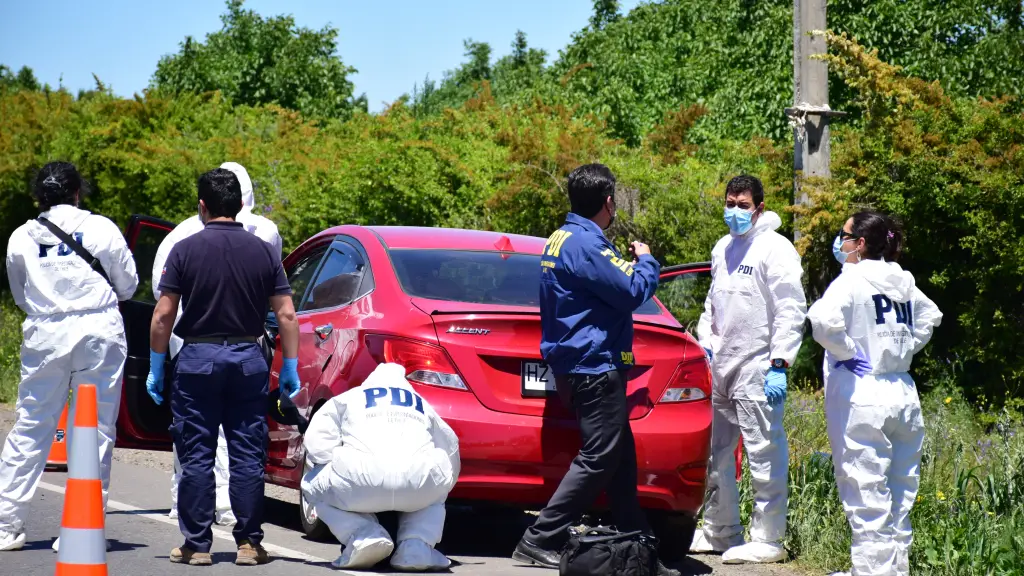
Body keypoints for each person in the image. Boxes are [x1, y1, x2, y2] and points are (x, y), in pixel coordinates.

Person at [512, 163, 679, 576]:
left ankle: (641, 551)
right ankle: (538, 538)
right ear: (608, 202)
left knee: (619, 462)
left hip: (581, 364)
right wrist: (646, 260)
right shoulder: (587, 245)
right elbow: (634, 291)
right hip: (595, 364)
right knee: (599, 458)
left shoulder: (559, 237)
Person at [146, 167, 300, 566]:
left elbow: (163, 315)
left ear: (202, 206)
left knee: (196, 453)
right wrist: (291, 367)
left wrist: (157, 363)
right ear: (240, 204)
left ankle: (197, 545)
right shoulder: (263, 250)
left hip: (197, 359)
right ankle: (249, 544)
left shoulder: (185, 248)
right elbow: (286, 314)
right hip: (249, 360)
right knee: (247, 453)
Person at [0, 161, 139, 551]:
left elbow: (19, 294)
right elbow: (128, 285)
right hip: (98, 330)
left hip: (46, 331)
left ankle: (5, 525)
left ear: (38, 196)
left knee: (31, 424)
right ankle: (82, 528)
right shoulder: (100, 228)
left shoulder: (20, 237)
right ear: (78, 192)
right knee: (94, 429)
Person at [807, 211, 942, 576]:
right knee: (900, 492)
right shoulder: (903, 280)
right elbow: (931, 316)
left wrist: (848, 353)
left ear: (860, 243)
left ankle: (871, 572)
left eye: (845, 235)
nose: (841, 241)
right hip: (902, 390)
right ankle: (894, 570)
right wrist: (903, 349)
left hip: (862, 393)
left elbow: (821, 321)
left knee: (865, 491)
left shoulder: (852, 279)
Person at [691, 175, 807, 564]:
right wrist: (706, 340)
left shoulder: (775, 249)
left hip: (758, 365)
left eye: (743, 204)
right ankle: (721, 530)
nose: (736, 211)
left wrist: (780, 362)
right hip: (721, 364)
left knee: (763, 451)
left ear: (759, 207)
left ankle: (768, 537)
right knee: (716, 452)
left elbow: (790, 307)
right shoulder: (723, 247)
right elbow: (713, 304)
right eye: (730, 202)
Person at [300, 362, 460, 571]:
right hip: (418, 484)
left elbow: (316, 442)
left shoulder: (349, 398)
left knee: (311, 485)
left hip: (360, 478)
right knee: (436, 486)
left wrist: (335, 462)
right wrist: (446, 484)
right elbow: (450, 444)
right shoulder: (422, 403)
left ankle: (364, 535)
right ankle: (416, 547)